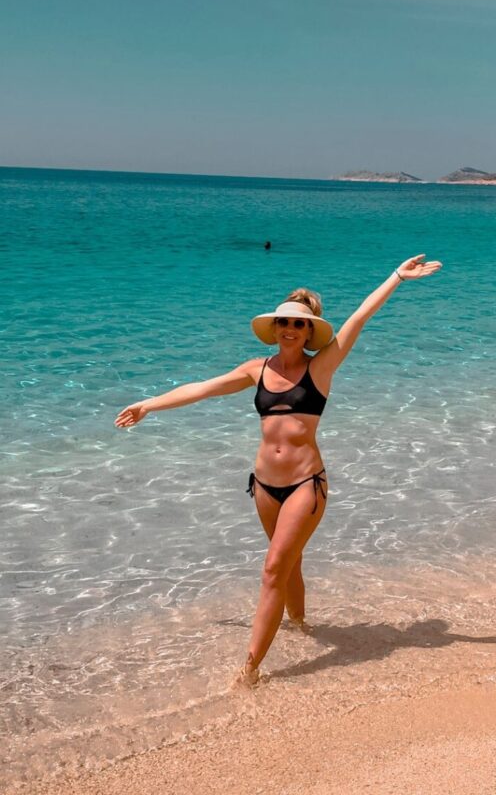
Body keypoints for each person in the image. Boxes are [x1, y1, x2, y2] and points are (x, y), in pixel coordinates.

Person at [114, 253, 442, 686]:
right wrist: (148, 405)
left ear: (310, 331)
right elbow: (202, 388)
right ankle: (300, 626)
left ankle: (249, 671)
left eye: (300, 324)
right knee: (288, 565)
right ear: (274, 329)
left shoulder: (320, 367)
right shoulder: (257, 370)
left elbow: (359, 318)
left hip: (306, 484)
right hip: (265, 487)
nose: (290, 329)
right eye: (284, 322)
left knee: (272, 569)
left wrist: (396, 276)